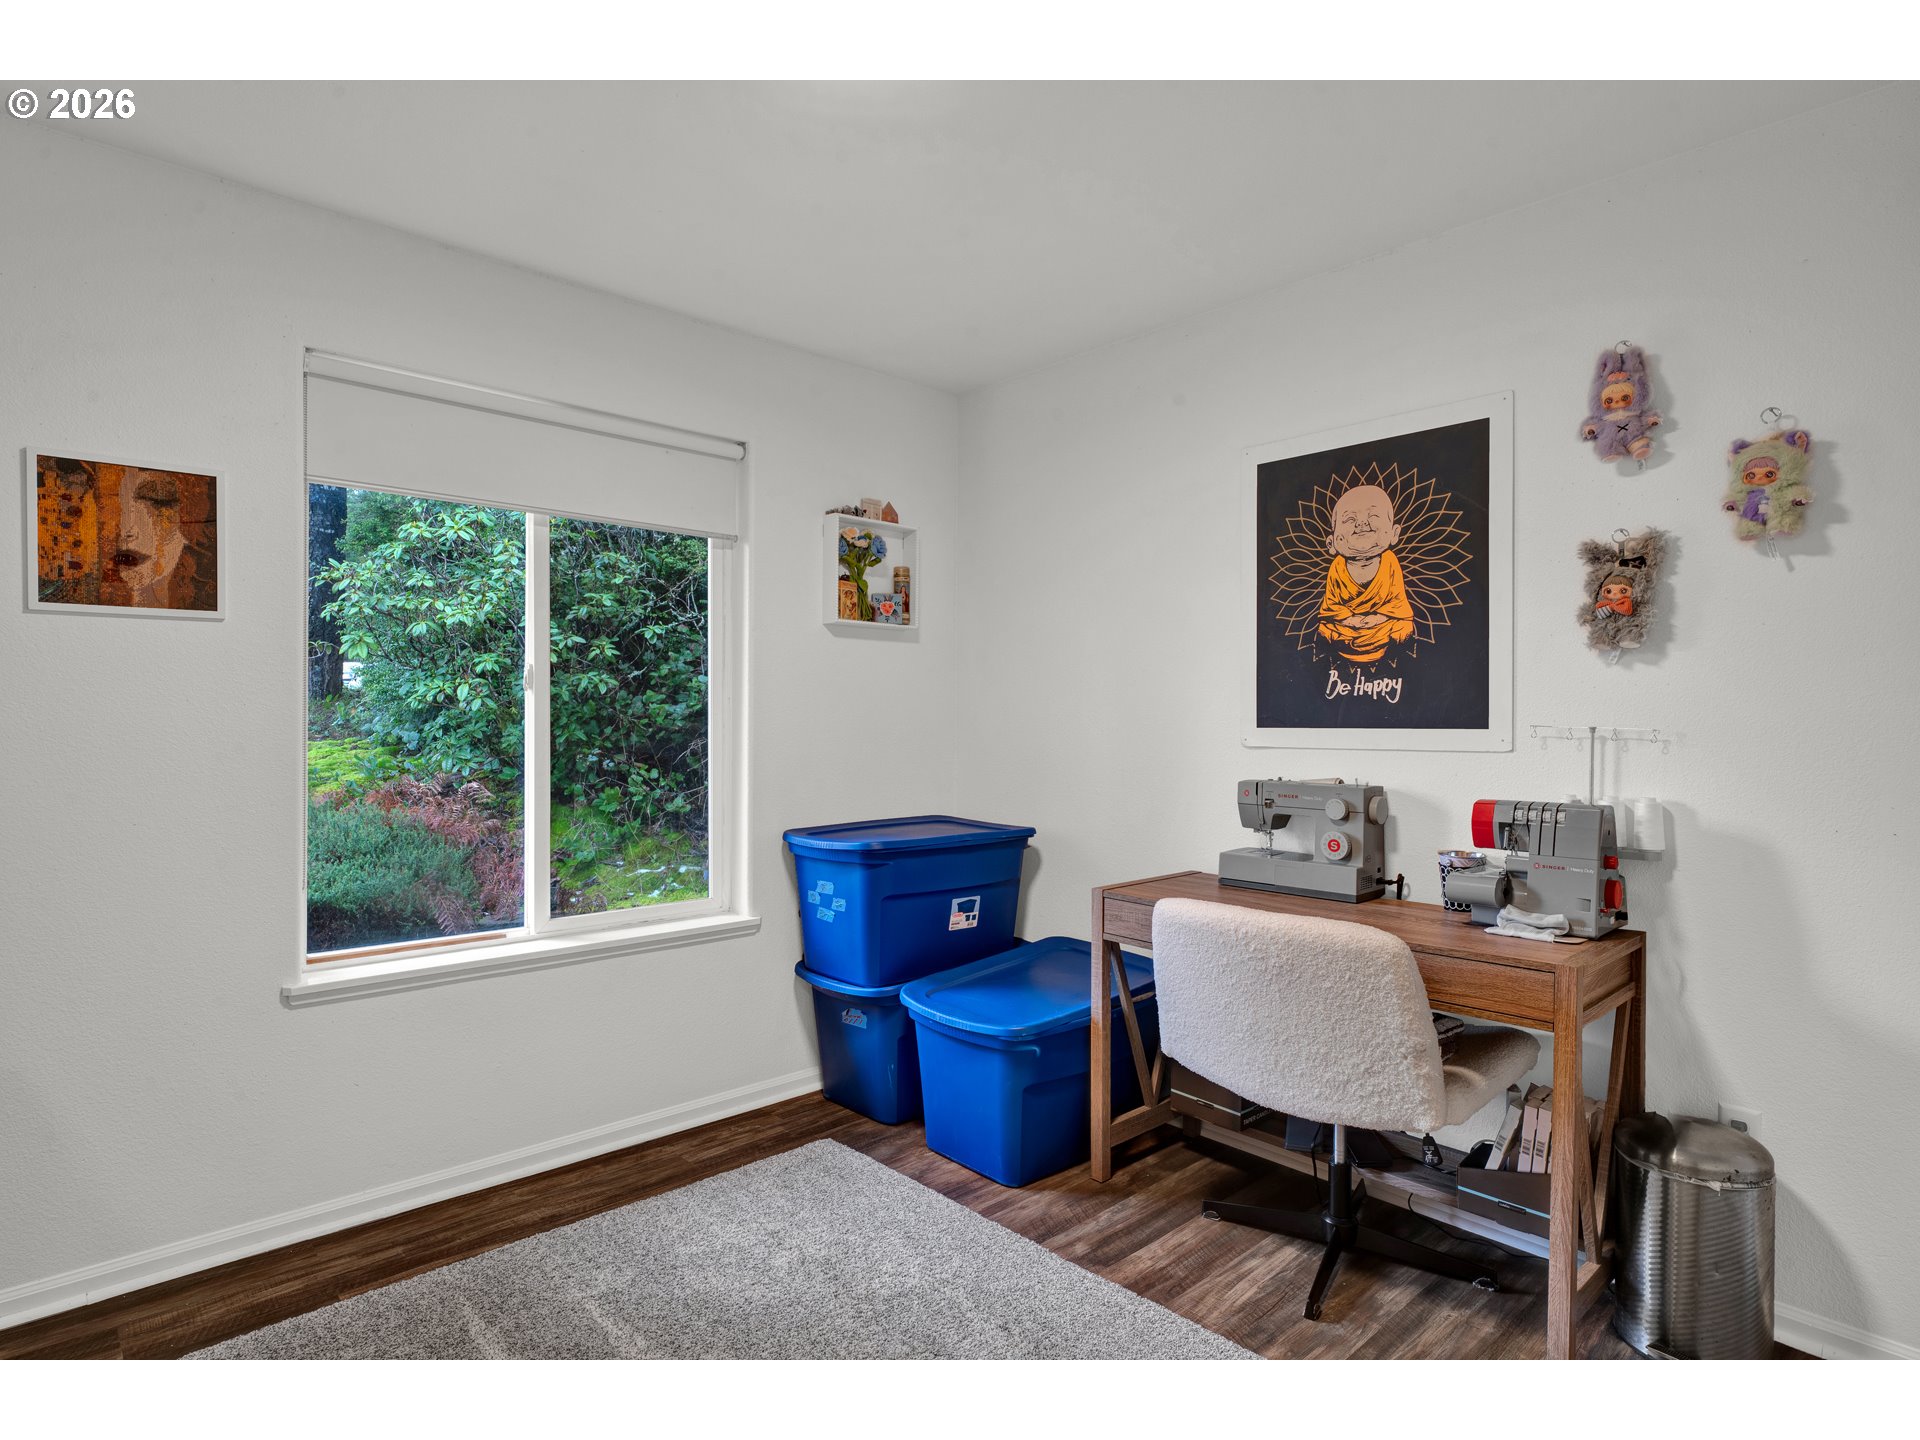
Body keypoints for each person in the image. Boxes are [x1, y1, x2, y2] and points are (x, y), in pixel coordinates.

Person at [1318, 484, 1413, 664]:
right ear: (1331, 543)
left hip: (1381, 625)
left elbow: (1398, 603)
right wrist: (1350, 620)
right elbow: (1331, 606)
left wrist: (1377, 618)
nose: (1362, 524)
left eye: (1373, 516)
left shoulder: (1391, 561)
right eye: (1350, 519)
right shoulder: (1337, 566)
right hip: (1346, 627)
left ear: (1394, 534)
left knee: (1404, 628)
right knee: (1325, 630)